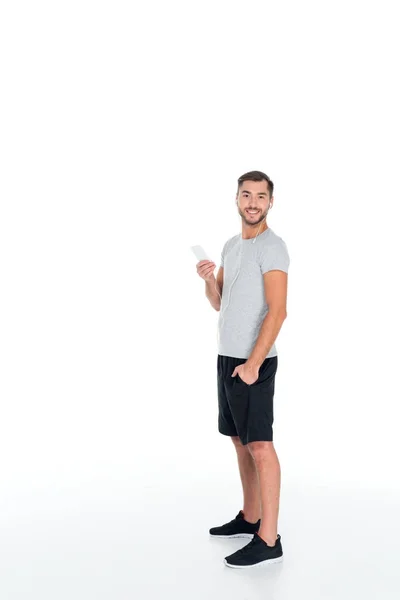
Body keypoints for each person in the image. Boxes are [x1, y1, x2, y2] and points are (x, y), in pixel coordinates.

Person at [196, 170, 290, 569]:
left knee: (260, 447)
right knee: (238, 440)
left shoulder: (274, 248)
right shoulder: (231, 246)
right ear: (236, 200)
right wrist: (205, 280)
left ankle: (269, 539)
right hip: (227, 359)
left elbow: (279, 310)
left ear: (271, 203)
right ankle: (250, 518)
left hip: (255, 362)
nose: (252, 202)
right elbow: (220, 302)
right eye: (246, 195)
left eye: (260, 196)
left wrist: (253, 364)